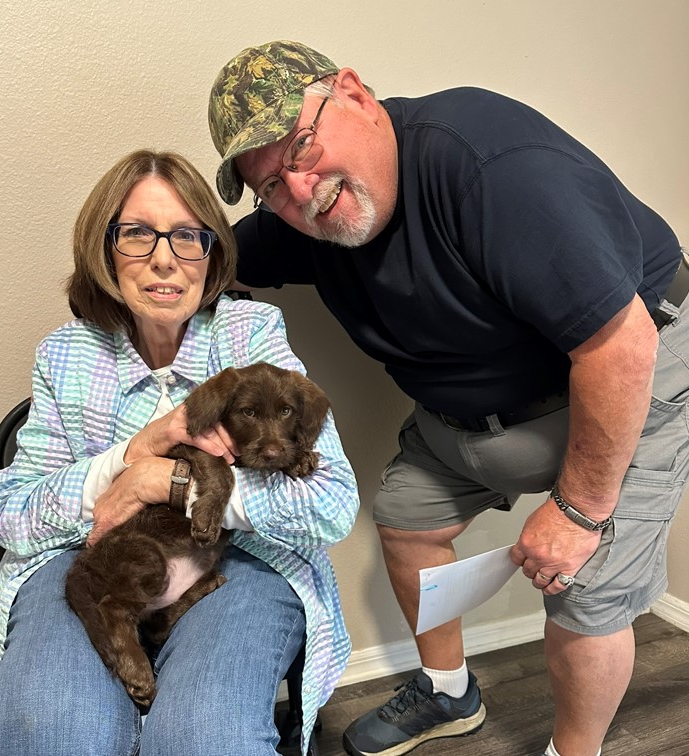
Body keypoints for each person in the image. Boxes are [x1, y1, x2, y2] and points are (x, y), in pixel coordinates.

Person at [207, 40, 689, 756]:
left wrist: (577, 511)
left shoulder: (489, 167)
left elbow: (617, 348)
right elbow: (201, 256)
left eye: (301, 147)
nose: (300, 191)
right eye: (272, 185)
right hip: (472, 414)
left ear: (353, 93)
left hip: (624, 370)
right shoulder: (303, 219)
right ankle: (446, 691)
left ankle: (573, 751)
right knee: (405, 520)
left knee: (581, 591)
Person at [0, 149, 359, 756]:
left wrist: (170, 484)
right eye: (137, 234)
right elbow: (11, 515)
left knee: (206, 740)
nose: (163, 258)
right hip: (89, 560)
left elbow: (331, 505)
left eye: (187, 236)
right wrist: (126, 463)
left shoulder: (251, 333)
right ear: (106, 248)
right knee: (50, 734)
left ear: (211, 251)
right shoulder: (65, 355)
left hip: (238, 562)